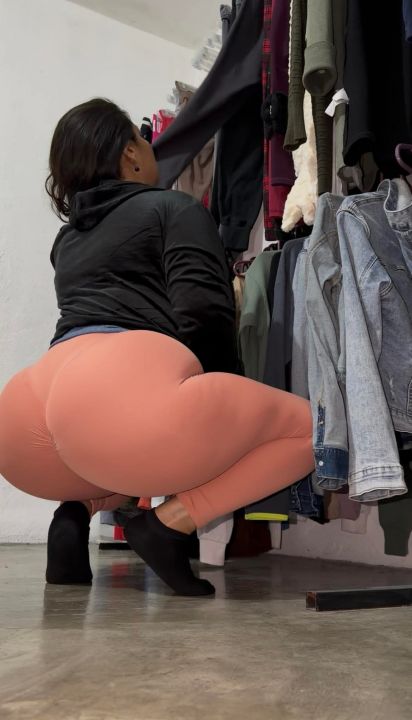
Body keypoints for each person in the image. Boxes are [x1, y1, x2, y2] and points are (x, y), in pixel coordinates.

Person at [0, 99, 314, 597]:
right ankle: (169, 525)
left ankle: (74, 512)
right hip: (116, 387)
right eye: (143, 140)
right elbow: (205, 312)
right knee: (310, 431)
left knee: (118, 449)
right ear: (129, 152)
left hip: (24, 416)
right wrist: (219, 406)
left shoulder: (67, 240)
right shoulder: (173, 207)